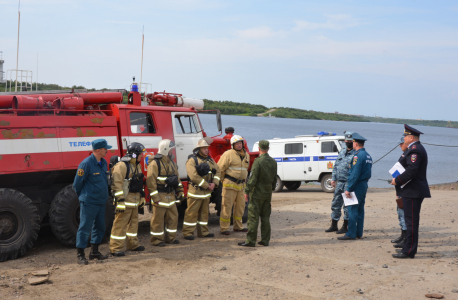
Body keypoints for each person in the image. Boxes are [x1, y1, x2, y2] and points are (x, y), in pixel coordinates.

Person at [391, 124, 430, 259]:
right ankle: (407, 248)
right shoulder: (413, 148)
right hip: (410, 190)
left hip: (413, 191)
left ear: (411, 137)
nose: (404, 138)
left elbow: (412, 170)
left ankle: (409, 251)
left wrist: (398, 180)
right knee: (410, 221)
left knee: (411, 222)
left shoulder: (415, 150)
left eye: (406, 136)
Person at [73, 139, 112, 265]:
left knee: (100, 227)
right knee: (85, 228)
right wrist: (84, 197)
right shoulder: (86, 164)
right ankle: (80, 254)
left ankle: (94, 251)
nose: (107, 150)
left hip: (101, 201)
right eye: (105, 148)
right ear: (98, 150)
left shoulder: (104, 162)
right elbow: (77, 184)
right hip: (89, 202)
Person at [109, 142, 146, 256]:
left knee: (133, 224)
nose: (142, 156)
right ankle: (116, 248)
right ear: (134, 155)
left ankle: (133, 245)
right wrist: (120, 201)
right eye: (140, 154)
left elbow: (140, 183)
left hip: (134, 201)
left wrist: (142, 197)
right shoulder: (122, 166)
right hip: (125, 202)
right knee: (120, 225)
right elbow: (117, 184)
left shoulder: (137, 165)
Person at [238, 140, 277, 247]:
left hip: (257, 194)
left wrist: (247, 191)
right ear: (268, 149)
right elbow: (274, 178)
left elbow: (253, 178)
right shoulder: (273, 162)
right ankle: (265, 240)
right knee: (265, 218)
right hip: (267, 193)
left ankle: (250, 241)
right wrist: (271, 188)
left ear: (259, 149)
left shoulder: (258, 161)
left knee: (253, 218)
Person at [146, 139, 183, 246]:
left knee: (173, 217)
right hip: (160, 195)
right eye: (171, 149)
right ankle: (157, 240)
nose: (173, 151)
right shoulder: (154, 163)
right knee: (158, 220)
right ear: (166, 150)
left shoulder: (172, 163)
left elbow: (177, 179)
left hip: (170, 195)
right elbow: (151, 182)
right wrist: (155, 198)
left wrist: (180, 191)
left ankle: (170, 238)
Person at [182, 138, 221, 240]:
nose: (206, 150)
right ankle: (188, 233)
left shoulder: (210, 160)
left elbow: (218, 172)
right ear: (198, 149)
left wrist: (214, 183)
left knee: (204, 214)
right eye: (204, 148)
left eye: (207, 148)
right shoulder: (192, 161)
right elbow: (194, 176)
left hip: (206, 193)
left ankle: (203, 232)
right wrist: (207, 185)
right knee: (191, 213)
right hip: (195, 192)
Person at [338, 133, 372, 240]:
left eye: (352, 142)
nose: (352, 144)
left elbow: (354, 174)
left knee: (352, 209)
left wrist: (349, 189)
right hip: (364, 184)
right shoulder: (368, 155)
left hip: (357, 185)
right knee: (360, 209)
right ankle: (358, 233)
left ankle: (351, 234)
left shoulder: (357, 156)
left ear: (355, 143)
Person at [217, 135, 251, 235]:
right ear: (233, 145)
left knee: (240, 207)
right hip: (229, 185)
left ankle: (238, 226)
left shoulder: (247, 155)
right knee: (226, 207)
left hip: (241, 186)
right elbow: (220, 169)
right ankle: (224, 228)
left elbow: (246, 170)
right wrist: (223, 181)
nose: (239, 145)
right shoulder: (228, 154)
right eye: (237, 144)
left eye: (240, 143)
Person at [325, 131, 355, 234]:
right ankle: (334, 225)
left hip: (348, 182)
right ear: (345, 141)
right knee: (335, 203)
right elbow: (336, 165)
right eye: (347, 140)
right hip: (339, 182)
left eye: (350, 141)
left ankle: (345, 226)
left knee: (347, 206)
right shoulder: (342, 151)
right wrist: (333, 178)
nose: (348, 142)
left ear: (353, 141)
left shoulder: (356, 153)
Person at [392, 136, 408, 248]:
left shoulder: (410, 154)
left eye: (401, 143)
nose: (399, 146)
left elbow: (408, 173)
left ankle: (406, 237)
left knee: (404, 213)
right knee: (400, 213)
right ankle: (403, 235)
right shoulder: (404, 154)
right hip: (400, 187)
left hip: (405, 187)